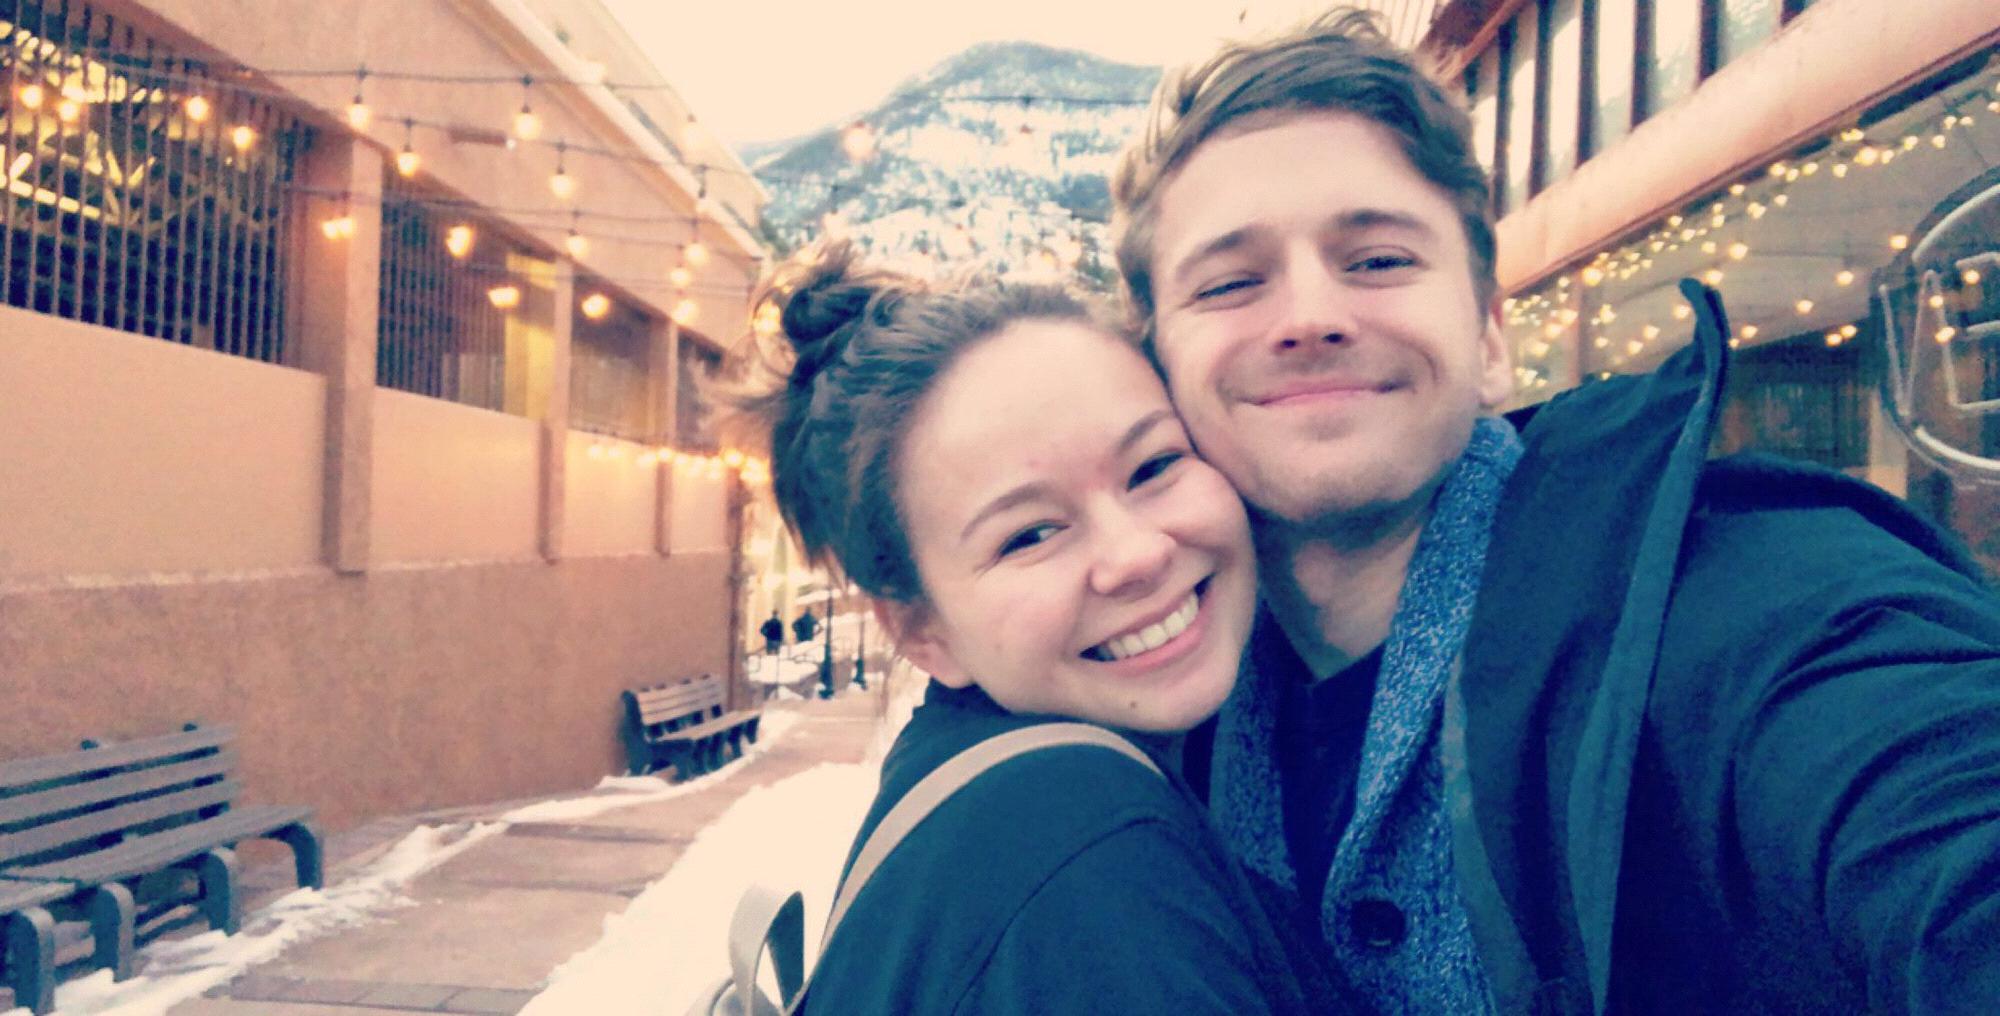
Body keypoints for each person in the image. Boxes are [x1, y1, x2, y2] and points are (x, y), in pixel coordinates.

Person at [1109, 9, 2000, 1014]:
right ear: (1152, 368)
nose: (1311, 316)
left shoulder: (1749, 602)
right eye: (1230, 282)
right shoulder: (1144, 700)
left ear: (1489, 337)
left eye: (1378, 260)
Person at [722, 243, 1342, 1013]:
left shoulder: (986, 800)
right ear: (923, 633)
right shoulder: (1084, 857)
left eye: (1153, 467)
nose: (1137, 555)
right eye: (1029, 535)